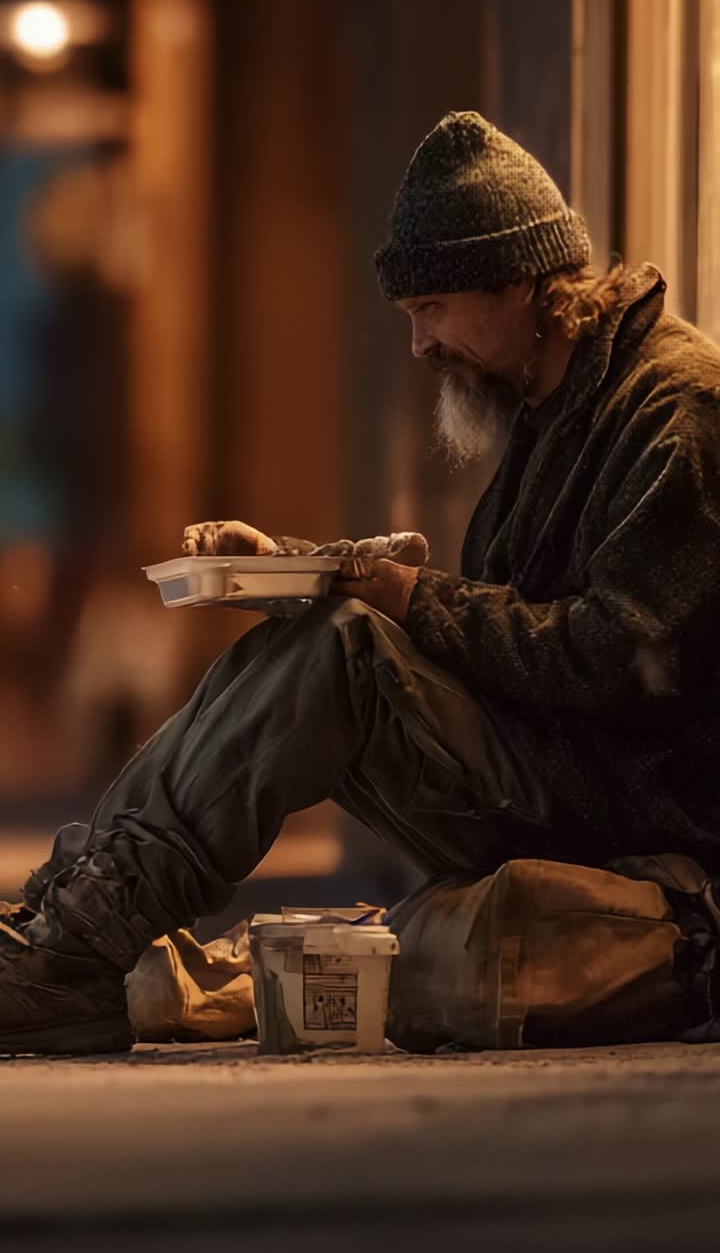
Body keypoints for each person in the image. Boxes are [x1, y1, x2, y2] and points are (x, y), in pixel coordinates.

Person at [3, 109, 720, 1056]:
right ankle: (72, 916)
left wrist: (408, 600)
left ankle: (75, 946)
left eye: (433, 309)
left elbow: (622, 660)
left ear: (519, 283)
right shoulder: (557, 401)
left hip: (631, 805)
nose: (420, 345)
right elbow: (512, 624)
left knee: (345, 648)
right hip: (563, 768)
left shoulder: (677, 410)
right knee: (330, 627)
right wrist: (311, 566)